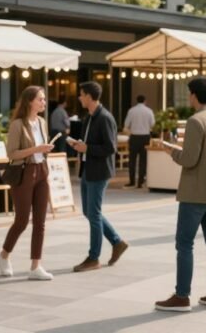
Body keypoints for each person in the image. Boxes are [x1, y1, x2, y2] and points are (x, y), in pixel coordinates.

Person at [155, 76, 206, 312]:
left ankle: (182, 296)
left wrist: (171, 151)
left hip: (194, 192)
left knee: (184, 243)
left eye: (189, 93)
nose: (189, 97)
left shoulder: (196, 121)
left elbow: (189, 159)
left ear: (195, 95)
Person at [0, 86, 56, 281]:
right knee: (22, 220)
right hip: (24, 173)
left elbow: (40, 151)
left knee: (40, 222)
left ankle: (35, 266)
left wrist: (44, 150)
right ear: (30, 101)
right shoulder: (17, 125)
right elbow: (11, 154)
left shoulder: (42, 122)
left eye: (44, 99)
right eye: (40, 99)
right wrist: (36, 149)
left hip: (41, 172)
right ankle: (4, 255)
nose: (43, 103)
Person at [70, 81, 128, 272]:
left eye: (81, 94)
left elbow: (110, 147)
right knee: (89, 212)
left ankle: (93, 258)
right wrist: (80, 145)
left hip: (99, 171)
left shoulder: (105, 118)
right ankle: (117, 242)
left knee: (93, 213)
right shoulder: (89, 117)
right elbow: (91, 144)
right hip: (88, 168)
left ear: (88, 96)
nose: (79, 98)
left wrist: (88, 148)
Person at [122, 94, 155, 188]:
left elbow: (126, 124)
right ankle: (140, 181)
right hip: (145, 137)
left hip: (134, 137)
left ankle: (131, 181)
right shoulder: (149, 111)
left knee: (132, 160)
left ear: (137, 101)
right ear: (145, 101)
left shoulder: (131, 111)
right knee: (143, 160)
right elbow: (152, 124)